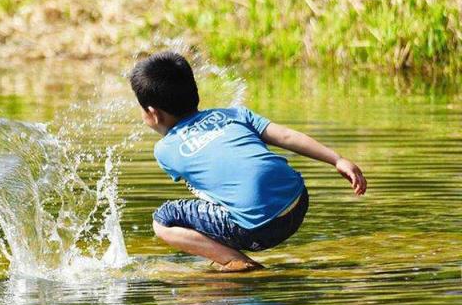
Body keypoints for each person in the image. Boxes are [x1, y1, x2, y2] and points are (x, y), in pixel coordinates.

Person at [129, 51, 367, 272]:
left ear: (152, 113)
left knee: (164, 220)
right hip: (298, 202)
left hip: (258, 230)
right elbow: (285, 136)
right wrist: (337, 159)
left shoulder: (165, 151)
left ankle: (238, 262)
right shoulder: (234, 114)